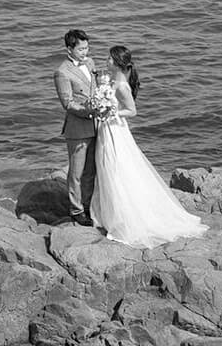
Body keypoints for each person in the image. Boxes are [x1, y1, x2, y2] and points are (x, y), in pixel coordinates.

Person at [89, 44, 208, 247]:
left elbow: (132, 111)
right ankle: (110, 215)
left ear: (118, 63)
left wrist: (111, 112)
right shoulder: (112, 80)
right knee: (106, 166)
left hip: (115, 128)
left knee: (116, 168)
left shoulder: (123, 86)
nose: (106, 61)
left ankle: (124, 217)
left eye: (110, 59)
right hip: (106, 128)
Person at [53, 29, 100, 226]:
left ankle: (89, 205)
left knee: (92, 169)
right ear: (69, 49)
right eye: (81, 49)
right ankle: (76, 210)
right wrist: (89, 111)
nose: (85, 52)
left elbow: (96, 88)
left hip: (97, 125)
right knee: (77, 172)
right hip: (77, 128)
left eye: (87, 47)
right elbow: (68, 103)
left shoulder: (90, 63)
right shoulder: (62, 72)